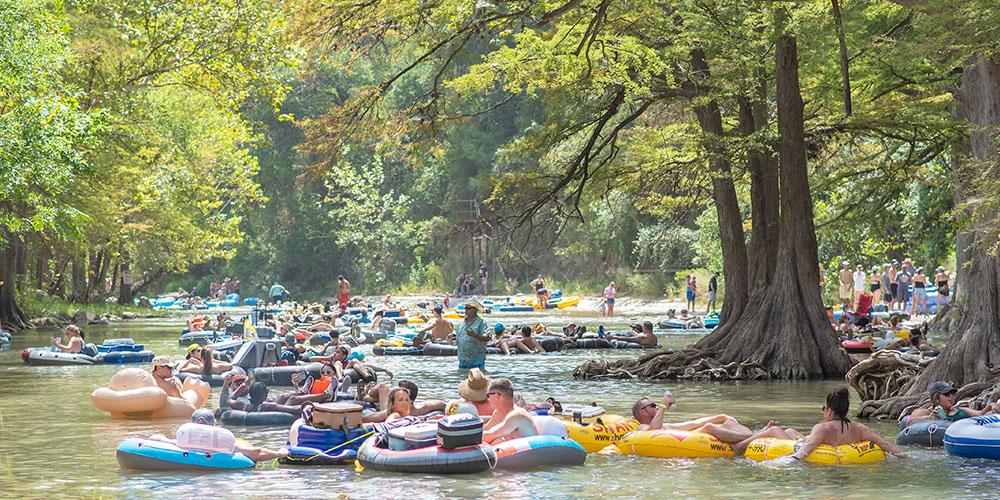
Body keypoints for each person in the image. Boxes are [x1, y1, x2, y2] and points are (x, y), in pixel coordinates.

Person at [782, 387, 908, 461]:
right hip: (851, 466)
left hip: (825, 467)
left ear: (829, 411)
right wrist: (907, 457)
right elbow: (884, 444)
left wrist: (791, 459)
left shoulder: (822, 428)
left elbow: (808, 446)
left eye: (823, 408)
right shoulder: (859, 428)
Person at [631, 393, 775, 455]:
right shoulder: (641, 428)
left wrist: (721, 416)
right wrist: (663, 406)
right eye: (652, 405)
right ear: (642, 412)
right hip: (677, 447)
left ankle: (755, 437)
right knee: (708, 428)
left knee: (728, 422)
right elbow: (652, 432)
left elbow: (692, 423)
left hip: (690, 441)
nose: (656, 407)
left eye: (656, 405)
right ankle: (756, 435)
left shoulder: (667, 426)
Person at [150, 409, 288, 462]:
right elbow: (256, 453)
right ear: (214, 425)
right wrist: (279, 453)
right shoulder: (225, 442)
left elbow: (154, 439)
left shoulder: (180, 441)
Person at [905, 381, 1000, 426]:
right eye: (946, 394)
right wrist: (928, 418)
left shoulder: (962, 410)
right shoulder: (925, 412)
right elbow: (910, 422)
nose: (951, 397)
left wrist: (990, 406)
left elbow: (980, 414)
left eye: (953, 393)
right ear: (936, 398)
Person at [482, 378, 538, 444]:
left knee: (497, 442)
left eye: (488, 395)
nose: (488, 399)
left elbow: (490, 435)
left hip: (529, 452)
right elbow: (485, 430)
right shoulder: (498, 413)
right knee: (497, 441)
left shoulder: (517, 415)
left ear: (497, 396)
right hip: (515, 451)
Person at [455, 299, 490, 371]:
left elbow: (487, 337)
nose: (466, 310)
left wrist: (475, 335)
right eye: (465, 308)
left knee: (477, 381)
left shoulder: (481, 323)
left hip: (476, 359)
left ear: (475, 310)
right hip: (463, 360)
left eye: (468, 308)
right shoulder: (461, 324)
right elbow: (458, 339)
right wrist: (451, 340)